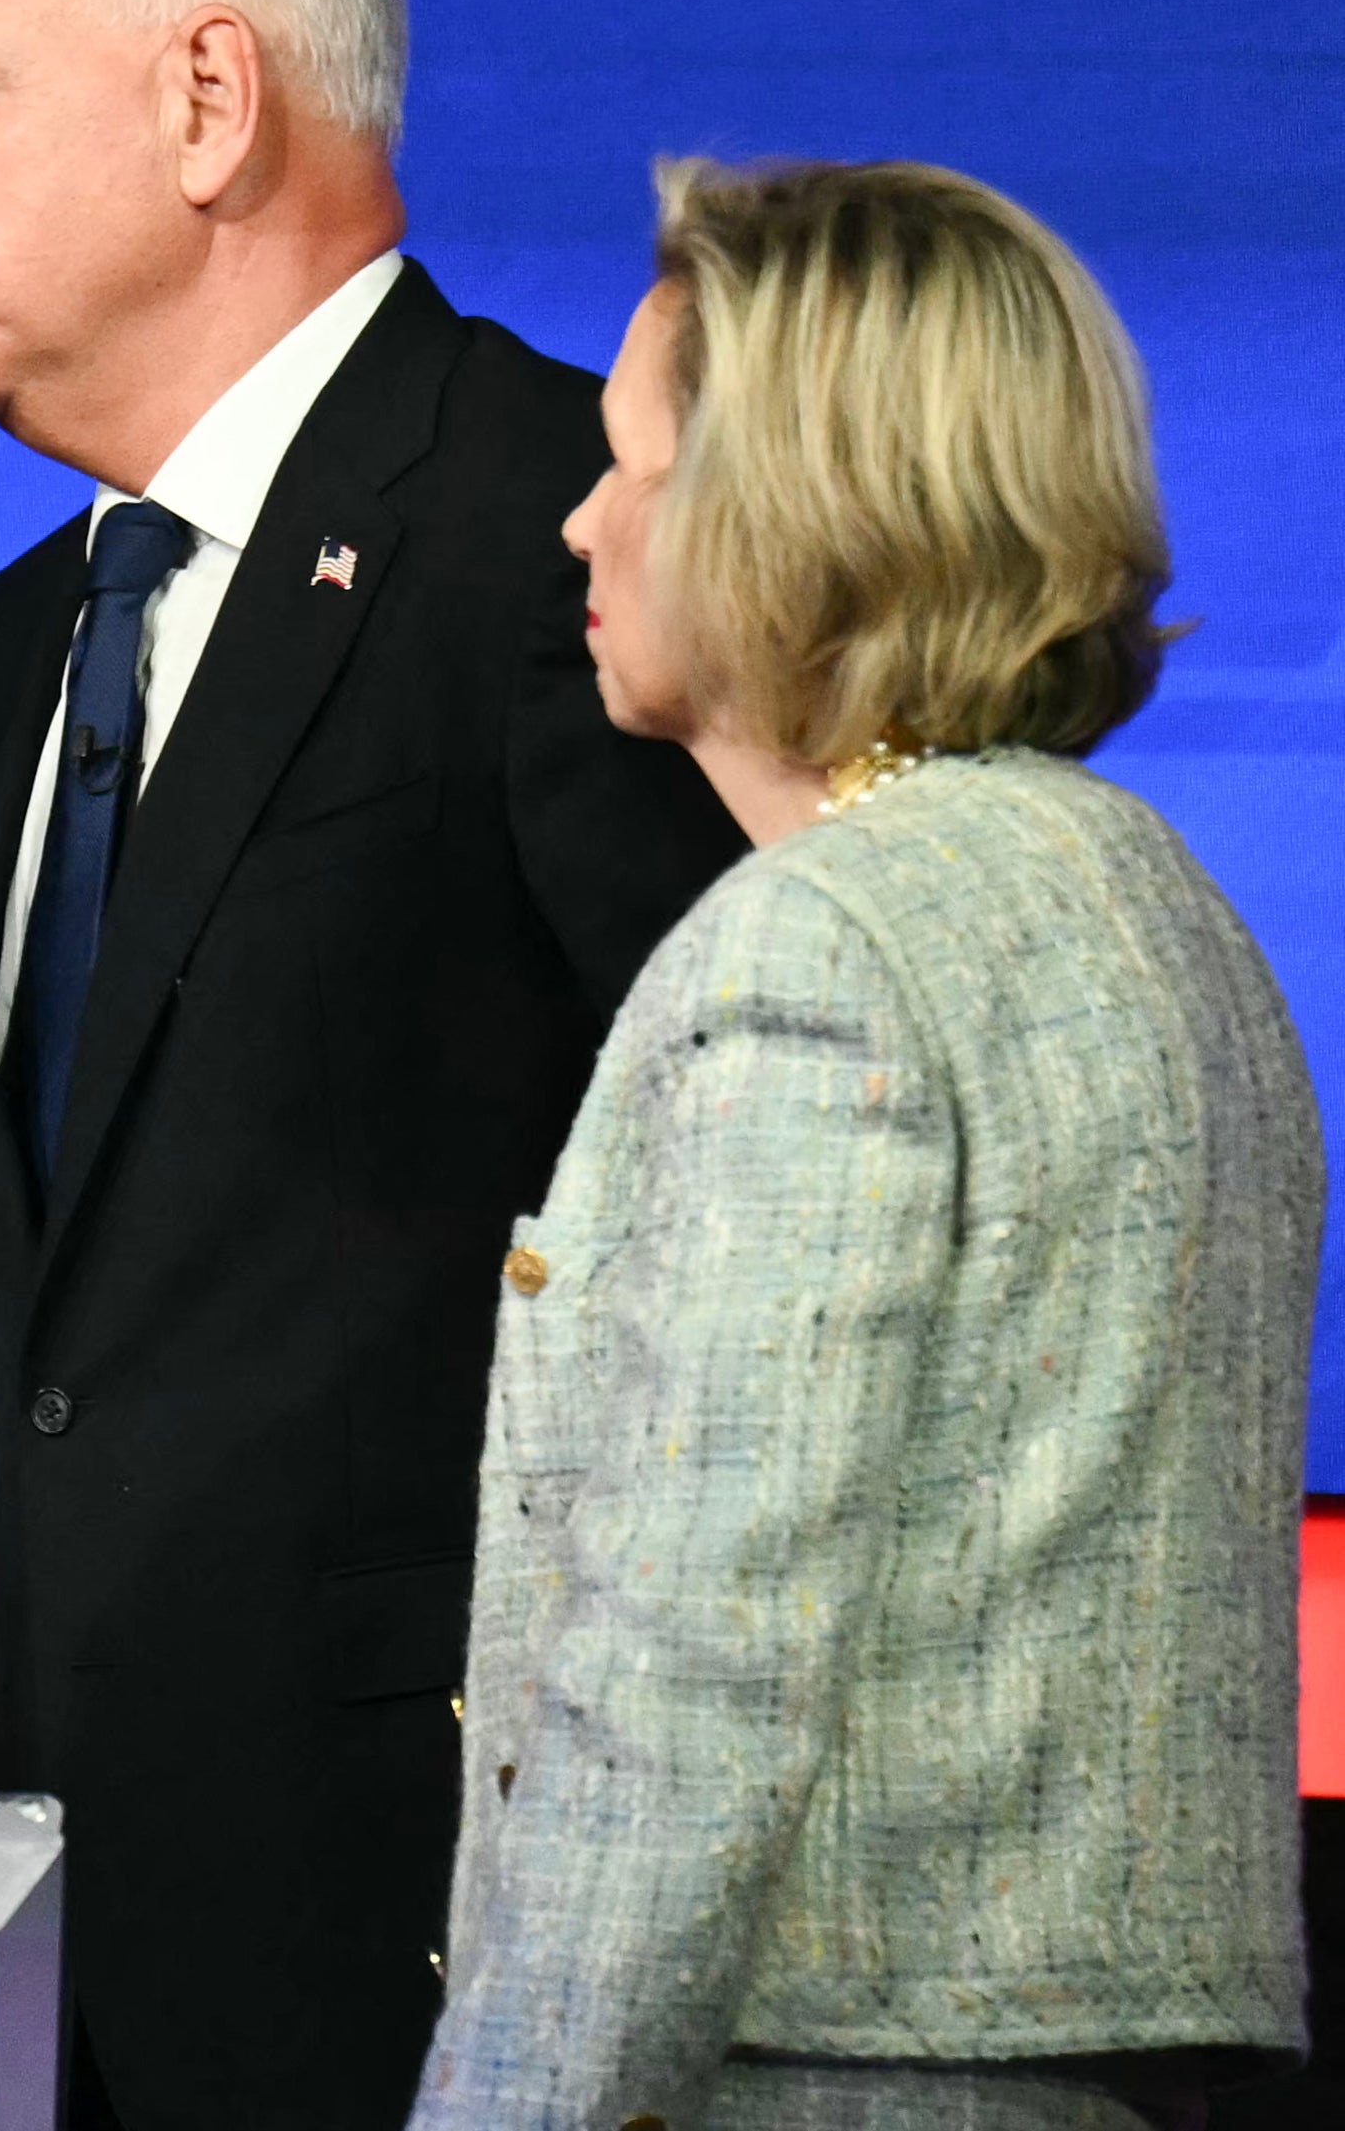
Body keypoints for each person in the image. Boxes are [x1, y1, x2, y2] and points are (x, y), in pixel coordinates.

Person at [0, 0, 743, 2131]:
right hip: (58, 2006)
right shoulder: (8, 647)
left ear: (205, 101)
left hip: (464, 1977)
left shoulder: (565, 538)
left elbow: (735, 1299)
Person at [412, 159, 1315, 2131]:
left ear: (783, 502)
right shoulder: (1155, 899)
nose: (577, 516)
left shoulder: (820, 941)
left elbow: (691, 1673)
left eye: (629, 457)